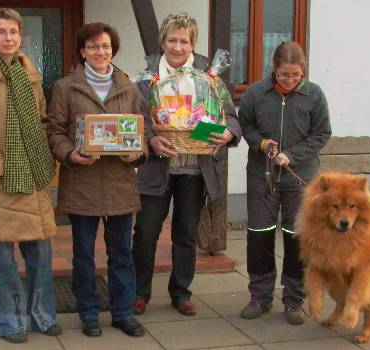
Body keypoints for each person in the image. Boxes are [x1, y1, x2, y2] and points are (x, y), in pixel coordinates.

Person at [0, 8, 61, 343]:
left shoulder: (30, 74)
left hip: (32, 178)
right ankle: (8, 321)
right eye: (1, 32)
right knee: (2, 257)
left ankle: (42, 316)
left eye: (13, 32)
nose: (8, 38)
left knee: (41, 255)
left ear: (21, 36)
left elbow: (42, 120)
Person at [132, 13, 241, 316]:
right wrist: (151, 139)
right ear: (162, 42)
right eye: (172, 40)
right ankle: (139, 291)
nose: (178, 47)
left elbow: (229, 116)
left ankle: (180, 291)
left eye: (184, 41)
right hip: (157, 168)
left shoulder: (209, 77)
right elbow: (138, 118)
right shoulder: (147, 78)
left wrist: (228, 132)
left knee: (185, 233)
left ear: (192, 43)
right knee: (145, 232)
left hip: (194, 168)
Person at [44, 22, 145, 337]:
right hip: (83, 183)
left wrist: (137, 153)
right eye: (92, 47)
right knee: (84, 254)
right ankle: (88, 313)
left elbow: (140, 130)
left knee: (122, 254)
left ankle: (123, 312)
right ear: (82, 51)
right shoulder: (65, 87)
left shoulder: (129, 87)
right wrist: (70, 154)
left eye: (105, 46)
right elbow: (54, 130)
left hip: (119, 183)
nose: (99, 52)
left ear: (113, 49)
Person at [238, 41, 332, 325]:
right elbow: (246, 126)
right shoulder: (255, 93)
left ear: (302, 70)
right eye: (283, 75)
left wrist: (292, 155)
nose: (289, 81)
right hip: (261, 176)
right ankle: (260, 297)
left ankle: (293, 299)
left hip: (299, 179)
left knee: (297, 238)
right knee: (259, 236)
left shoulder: (314, 95)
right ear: (274, 69)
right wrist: (262, 143)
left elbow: (321, 134)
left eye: (295, 75)